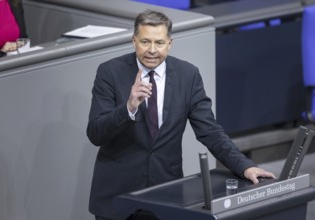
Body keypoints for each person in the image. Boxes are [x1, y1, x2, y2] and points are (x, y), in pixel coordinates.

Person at [87, 9, 275, 220]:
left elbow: (210, 132)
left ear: (170, 43)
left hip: (165, 196)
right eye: (145, 42)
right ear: (134, 41)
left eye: (159, 43)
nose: (152, 50)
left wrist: (245, 166)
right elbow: (96, 133)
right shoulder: (109, 72)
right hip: (116, 199)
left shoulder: (188, 76)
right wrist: (128, 107)